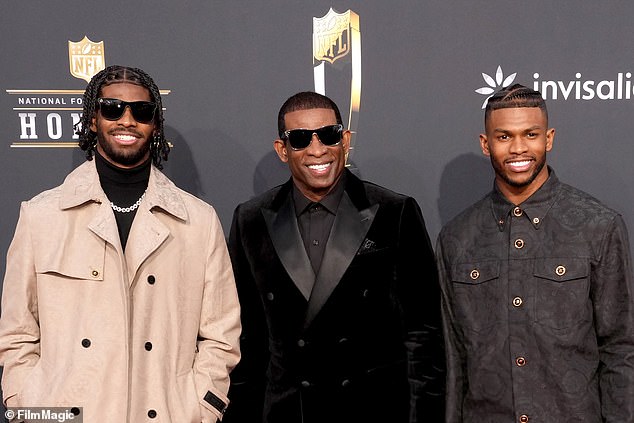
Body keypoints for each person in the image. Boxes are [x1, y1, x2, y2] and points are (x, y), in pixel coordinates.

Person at [0, 65, 241, 422]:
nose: (126, 120)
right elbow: (17, 332)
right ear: (93, 119)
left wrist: (202, 408)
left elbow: (221, 334)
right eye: (112, 108)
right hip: (69, 415)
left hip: (166, 413)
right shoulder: (41, 216)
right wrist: (30, 405)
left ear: (155, 124)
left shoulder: (198, 221)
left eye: (142, 111)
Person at [224, 91, 445, 423]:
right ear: (282, 150)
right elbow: (246, 341)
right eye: (300, 139)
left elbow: (424, 336)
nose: (317, 150)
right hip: (287, 412)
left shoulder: (394, 213)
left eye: (328, 135)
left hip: (373, 410)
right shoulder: (251, 220)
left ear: (345, 139)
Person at [436, 83, 634, 422]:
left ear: (549, 138)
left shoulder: (598, 226)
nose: (518, 148)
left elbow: (621, 349)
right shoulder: (457, 237)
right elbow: (454, 360)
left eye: (530, 134)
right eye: (503, 137)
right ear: (485, 144)